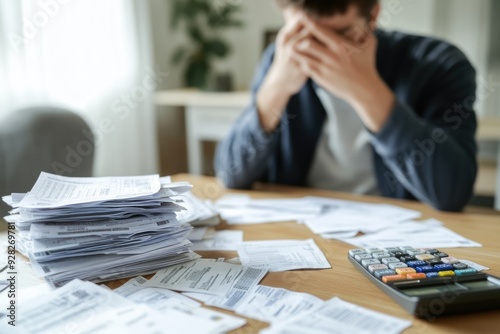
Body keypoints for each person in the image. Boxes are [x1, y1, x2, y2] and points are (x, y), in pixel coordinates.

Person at [214, 0, 477, 212]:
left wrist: (367, 90)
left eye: (340, 35)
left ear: (373, 15)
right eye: (304, 34)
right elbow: (229, 174)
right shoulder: (280, 58)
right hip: (302, 236)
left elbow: (452, 192)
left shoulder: (439, 63)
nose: (322, 50)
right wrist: (275, 89)